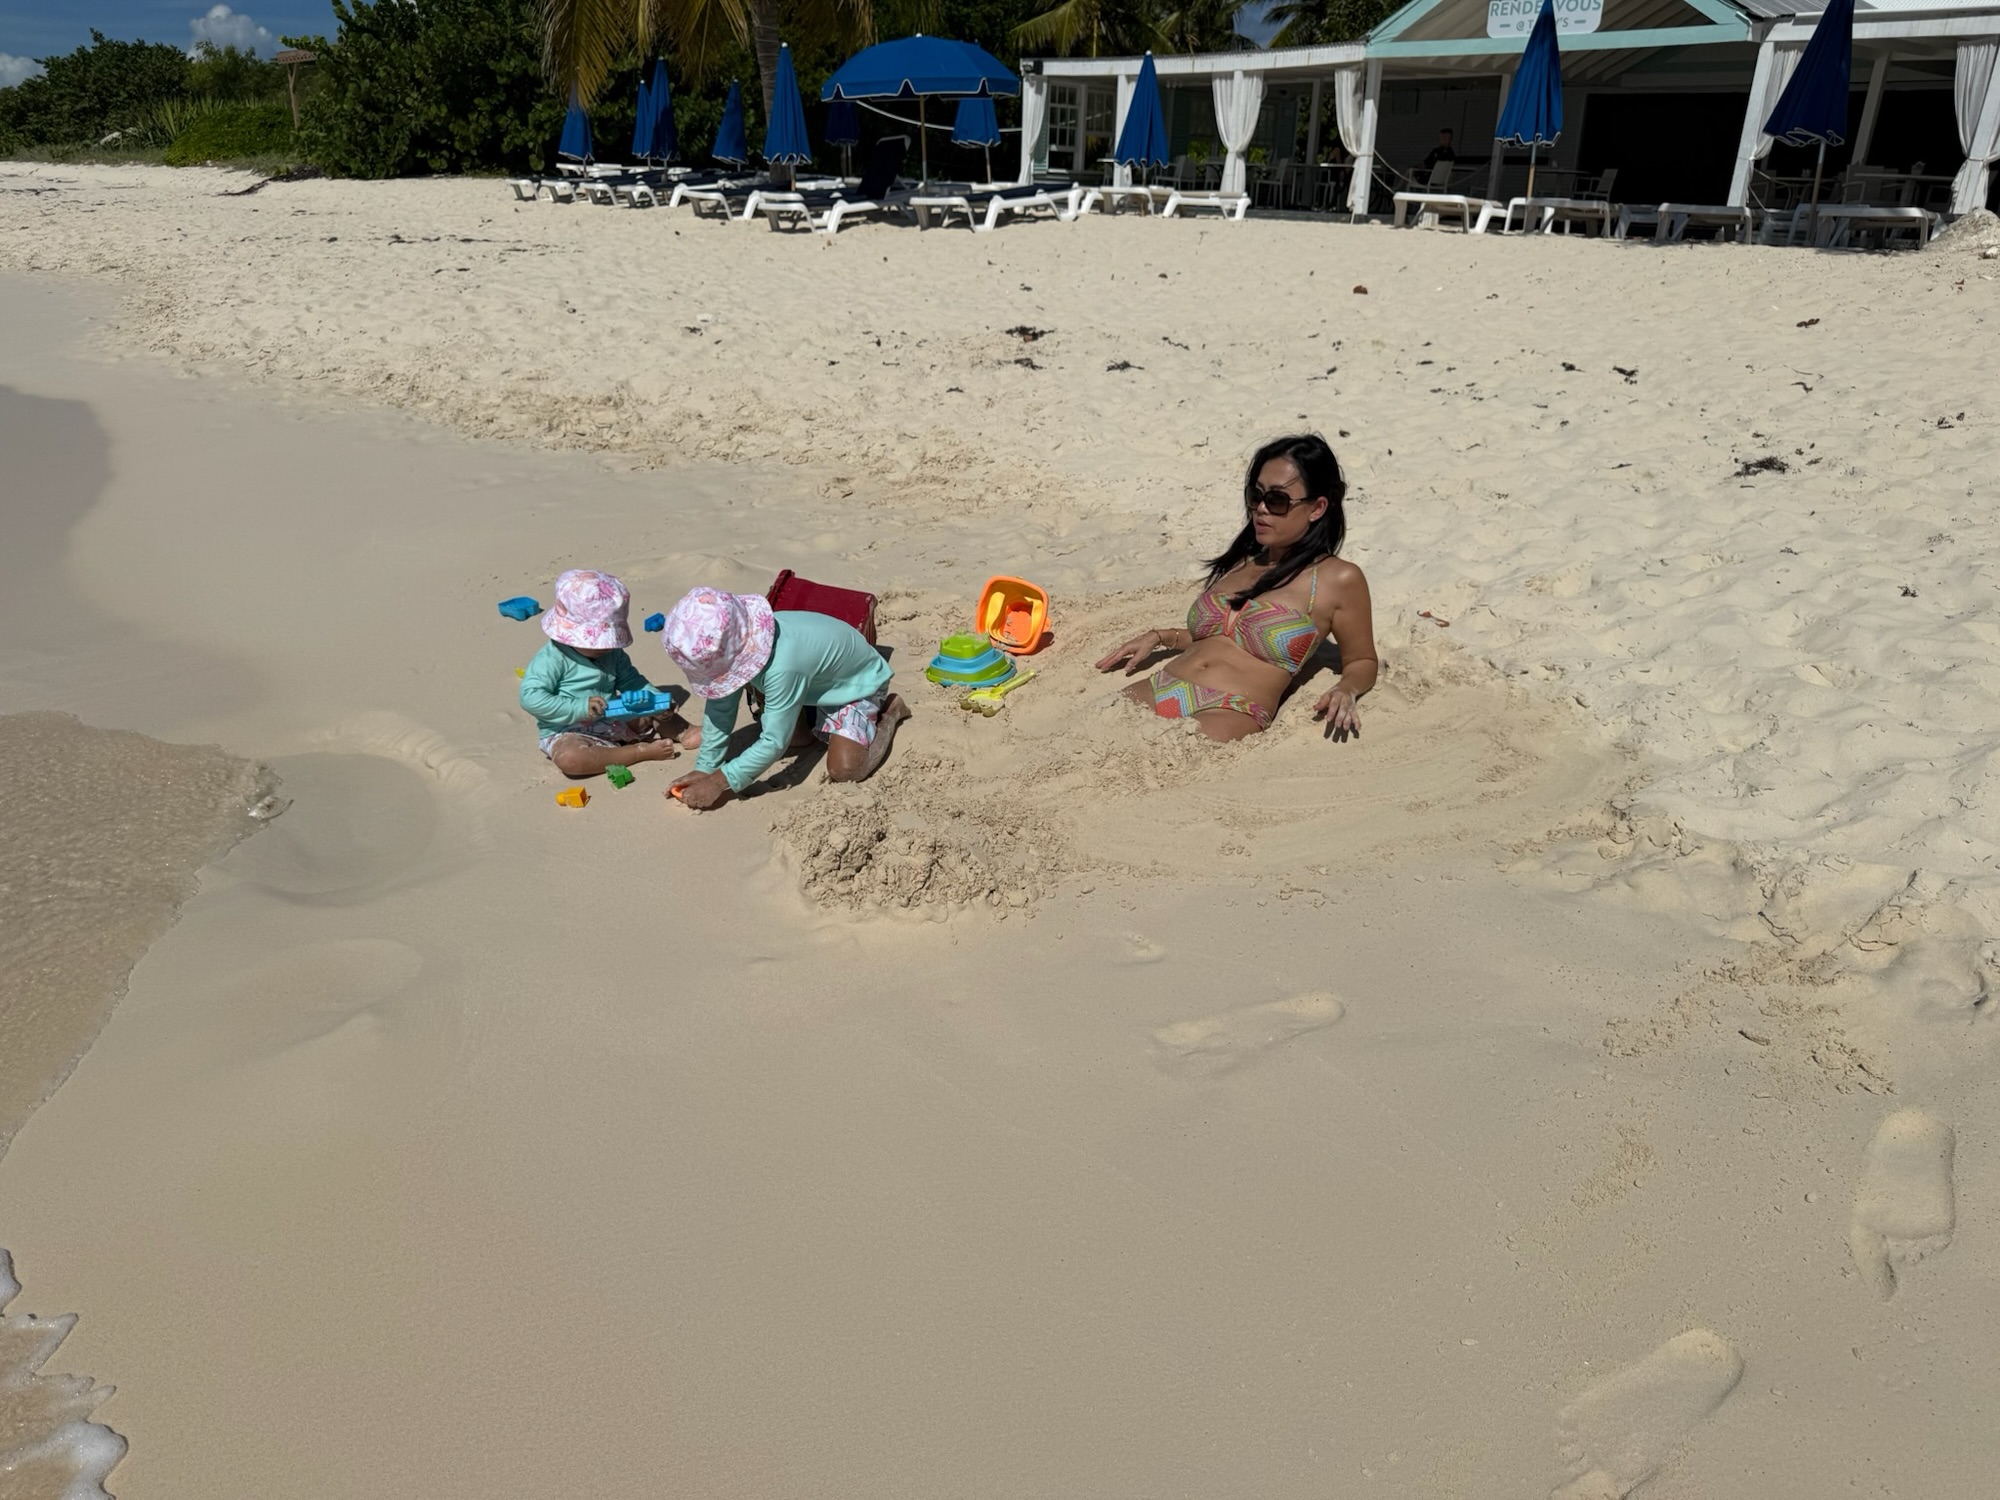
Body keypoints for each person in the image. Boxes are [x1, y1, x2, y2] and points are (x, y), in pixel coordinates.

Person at [1096, 433, 1377, 743]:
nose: (1261, 509)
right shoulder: (1242, 562)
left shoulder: (1337, 578)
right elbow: (1221, 637)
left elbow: (1362, 660)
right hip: (1163, 683)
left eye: (1277, 500)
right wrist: (1163, 636)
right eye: (1255, 496)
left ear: (1317, 508)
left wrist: (1346, 689)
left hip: (1231, 708)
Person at [663, 588, 910, 811]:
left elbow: (773, 742)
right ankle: (808, 722)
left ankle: (891, 712)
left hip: (856, 685)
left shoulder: (784, 665)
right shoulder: (748, 639)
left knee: (845, 768)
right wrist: (705, 767)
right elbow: (721, 707)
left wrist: (718, 782)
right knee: (796, 739)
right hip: (813, 681)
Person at [520, 569, 698, 779]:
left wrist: (655, 702)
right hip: (568, 729)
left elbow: (632, 681)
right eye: (596, 641)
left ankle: (684, 730)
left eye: (609, 640)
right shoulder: (552, 658)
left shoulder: (612, 653)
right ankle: (634, 752)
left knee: (647, 709)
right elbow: (530, 698)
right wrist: (580, 707)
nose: (605, 647)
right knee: (571, 759)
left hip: (612, 717)